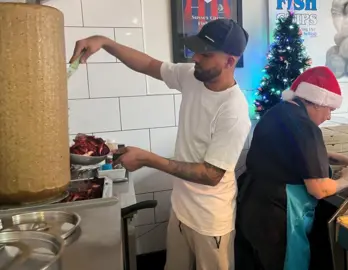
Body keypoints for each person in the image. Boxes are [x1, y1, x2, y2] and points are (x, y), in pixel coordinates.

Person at [70, 19, 251, 270]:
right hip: (181, 208)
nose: (195, 58)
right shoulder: (192, 77)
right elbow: (148, 64)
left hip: (210, 220)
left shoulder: (234, 110)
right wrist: (106, 42)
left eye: (205, 54)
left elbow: (211, 175)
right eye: (196, 50)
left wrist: (147, 159)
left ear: (230, 61)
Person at [234, 66, 348, 270]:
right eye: (330, 109)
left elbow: (296, 153)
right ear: (318, 103)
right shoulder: (306, 127)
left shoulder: (279, 112)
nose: (329, 117)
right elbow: (319, 189)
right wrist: (346, 180)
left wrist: (346, 159)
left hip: (251, 205)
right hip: (278, 216)